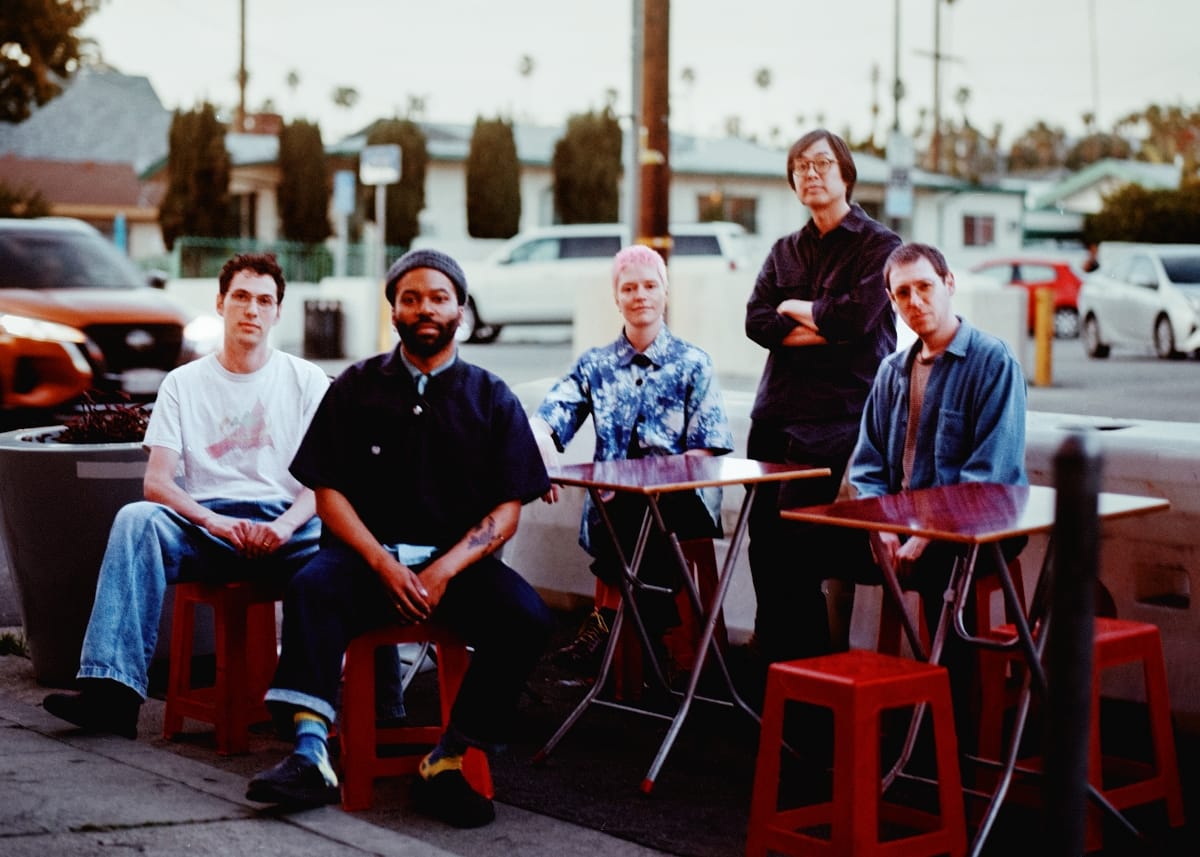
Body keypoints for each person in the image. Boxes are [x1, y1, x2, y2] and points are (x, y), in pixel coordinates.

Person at [246, 249, 554, 829]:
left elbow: (508, 509)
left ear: (460, 309)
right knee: (312, 586)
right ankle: (310, 756)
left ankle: (448, 760)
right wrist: (381, 564)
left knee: (527, 618)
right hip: (366, 561)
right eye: (410, 298)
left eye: (439, 297)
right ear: (394, 311)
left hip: (456, 572)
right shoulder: (357, 387)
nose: (425, 308)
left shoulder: (491, 396)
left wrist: (442, 572)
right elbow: (328, 492)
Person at [42, 253, 332, 738]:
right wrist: (213, 522)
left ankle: (362, 706)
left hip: (289, 529)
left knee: (357, 540)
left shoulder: (306, 380)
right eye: (241, 297)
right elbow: (156, 483)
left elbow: (326, 483)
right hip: (208, 529)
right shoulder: (183, 383)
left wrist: (284, 527)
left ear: (278, 311)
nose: (252, 310)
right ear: (220, 303)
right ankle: (112, 695)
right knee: (137, 520)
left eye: (265, 301)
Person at [848, 241, 1027, 728]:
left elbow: (988, 475)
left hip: (979, 528)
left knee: (943, 580)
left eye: (925, 287)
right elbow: (866, 468)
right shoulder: (891, 372)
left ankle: (951, 737)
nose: (915, 302)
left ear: (949, 285)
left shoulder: (992, 362)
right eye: (902, 293)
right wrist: (882, 527)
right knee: (797, 554)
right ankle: (837, 712)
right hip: (900, 523)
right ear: (892, 300)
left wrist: (925, 535)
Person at [532, 245, 734, 674]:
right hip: (614, 509)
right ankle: (645, 628)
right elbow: (552, 416)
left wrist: (654, 484)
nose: (639, 295)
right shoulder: (596, 364)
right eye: (628, 288)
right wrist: (542, 453)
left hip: (681, 502)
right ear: (616, 298)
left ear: (665, 293)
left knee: (637, 503)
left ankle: (605, 627)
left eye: (649, 286)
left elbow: (707, 446)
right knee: (621, 502)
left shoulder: (693, 363)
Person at [743, 129, 902, 668]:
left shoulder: (881, 247)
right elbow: (756, 322)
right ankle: (783, 672)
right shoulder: (784, 249)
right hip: (776, 419)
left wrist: (794, 308)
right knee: (763, 549)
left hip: (839, 421)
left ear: (846, 174)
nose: (810, 173)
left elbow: (855, 320)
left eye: (821, 163)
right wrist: (815, 318)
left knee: (802, 552)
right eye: (800, 166)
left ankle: (811, 677)